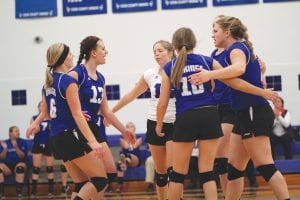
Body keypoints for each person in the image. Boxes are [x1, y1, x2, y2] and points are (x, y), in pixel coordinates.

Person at [156, 27, 279, 200]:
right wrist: (261, 82)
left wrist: (159, 124)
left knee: (177, 174)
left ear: (174, 45)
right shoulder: (207, 61)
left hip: (185, 117)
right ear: (194, 42)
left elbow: (163, 102)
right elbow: (231, 79)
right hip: (210, 115)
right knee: (207, 171)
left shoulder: (169, 67)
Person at [189, 16, 290, 200]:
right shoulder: (230, 52)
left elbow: (239, 69)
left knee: (265, 166)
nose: (212, 35)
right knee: (234, 169)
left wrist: (210, 74)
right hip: (243, 113)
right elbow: (237, 82)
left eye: (215, 31)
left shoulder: (236, 49)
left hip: (254, 111)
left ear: (227, 32)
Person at [26, 43, 109, 200]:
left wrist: (35, 123)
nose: (73, 57)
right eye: (70, 54)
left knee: (81, 184)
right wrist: (93, 141)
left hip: (55, 138)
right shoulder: (67, 81)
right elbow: (77, 114)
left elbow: (45, 113)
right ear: (63, 58)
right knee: (100, 181)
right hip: (69, 136)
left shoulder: (48, 83)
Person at [68, 36, 136, 197]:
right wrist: (71, 113)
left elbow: (106, 110)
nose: (106, 52)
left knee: (109, 173)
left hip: (94, 128)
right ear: (93, 52)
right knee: (96, 179)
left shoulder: (100, 78)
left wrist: (124, 131)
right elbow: (58, 97)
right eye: (103, 49)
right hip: (79, 129)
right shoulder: (76, 74)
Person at [110, 40, 176, 200]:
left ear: (171, 52)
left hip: (176, 122)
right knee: (160, 174)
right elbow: (131, 95)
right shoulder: (149, 74)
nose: (156, 54)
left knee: (173, 171)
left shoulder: (179, 71)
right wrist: (110, 112)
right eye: (154, 51)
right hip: (154, 122)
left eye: (160, 50)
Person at [26, 101, 55, 197]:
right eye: (40, 106)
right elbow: (32, 130)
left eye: (44, 106)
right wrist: (35, 129)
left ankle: (51, 191)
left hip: (48, 144)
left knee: (50, 168)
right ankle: (34, 192)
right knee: (36, 168)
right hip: (37, 144)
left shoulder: (52, 118)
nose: (42, 108)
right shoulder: (34, 118)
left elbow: (55, 131)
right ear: (38, 108)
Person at [0, 126, 28, 198]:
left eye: (18, 131)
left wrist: (16, 147)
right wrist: (5, 149)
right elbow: (2, 157)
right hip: (7, 166)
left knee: (20, 168)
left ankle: (19, 193)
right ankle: (1, 194)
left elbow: (22, 156)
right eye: (16, 131)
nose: (18, 133)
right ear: (10, 133)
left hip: (19, 163)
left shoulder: (23, 142)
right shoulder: (5, 143)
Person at [116, 122, 142, 192]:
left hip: (135, 159)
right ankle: (120, 186)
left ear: (134, 128)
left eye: (131, 127)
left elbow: (134, 146)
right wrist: (127, 136)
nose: (130, 128)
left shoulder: (139, 137)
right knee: (120, 164)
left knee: (127, 156)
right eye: (128, 127)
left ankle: (125, 160)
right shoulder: (121, 137)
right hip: (126, 158)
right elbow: (126, 146)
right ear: (125, 129)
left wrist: (132, 136)